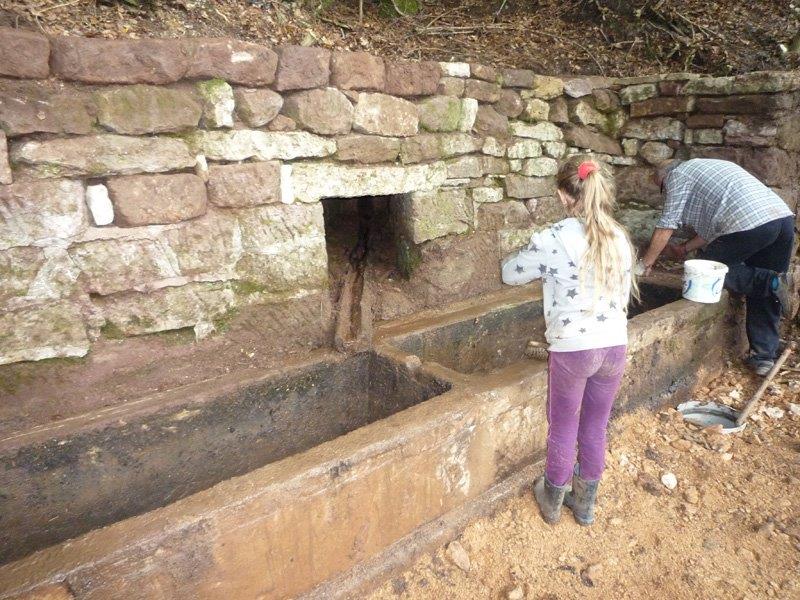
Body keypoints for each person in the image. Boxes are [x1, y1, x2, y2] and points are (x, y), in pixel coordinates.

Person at [501, 156, 637, 526]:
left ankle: (551, 498)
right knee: (595, 425)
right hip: (614, 346)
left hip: (574, 349)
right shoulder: (620, 236)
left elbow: (510, 274)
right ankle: (585, 504)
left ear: (563, 196)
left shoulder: (554, 238)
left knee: (563, 425)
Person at [640, 159, 794, 376]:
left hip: (752, 224)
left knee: (705, 272)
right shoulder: (708, 173)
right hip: (782, 220)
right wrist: (684, 249)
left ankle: (769, 281)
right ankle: (763, 356)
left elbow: (667, 224)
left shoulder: (679, 175)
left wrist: (645, 263)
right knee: (765, 288)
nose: (664, 193)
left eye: (662, 187)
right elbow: (711, 232)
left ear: (666, 176)